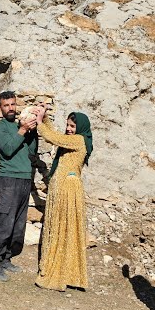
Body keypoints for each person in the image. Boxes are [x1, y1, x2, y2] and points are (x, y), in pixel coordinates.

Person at [33, 105, 92, 292]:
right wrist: (46, 118)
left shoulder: (79, 140)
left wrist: (40, 123)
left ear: (80, 128)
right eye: (68, 125)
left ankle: (60, 272)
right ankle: (65, 271)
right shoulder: (71, 139)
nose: (69, 129)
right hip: (61, 189)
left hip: (67, 190)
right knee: (61, 228)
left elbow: (53, 138)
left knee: (63, 228)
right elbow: (57, 134)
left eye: (72, 126)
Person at [0, 91, 38, 282]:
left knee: (18, 225)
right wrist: (23, 130)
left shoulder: (22, 126)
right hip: (8, 179)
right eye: (6, 105)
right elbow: (8, 150)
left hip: (25, 178)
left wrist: (32, 132)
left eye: (13, 104)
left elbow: (32, 151)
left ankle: (6, 258)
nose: (11, 108)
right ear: (0, 107)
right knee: (5, 222)